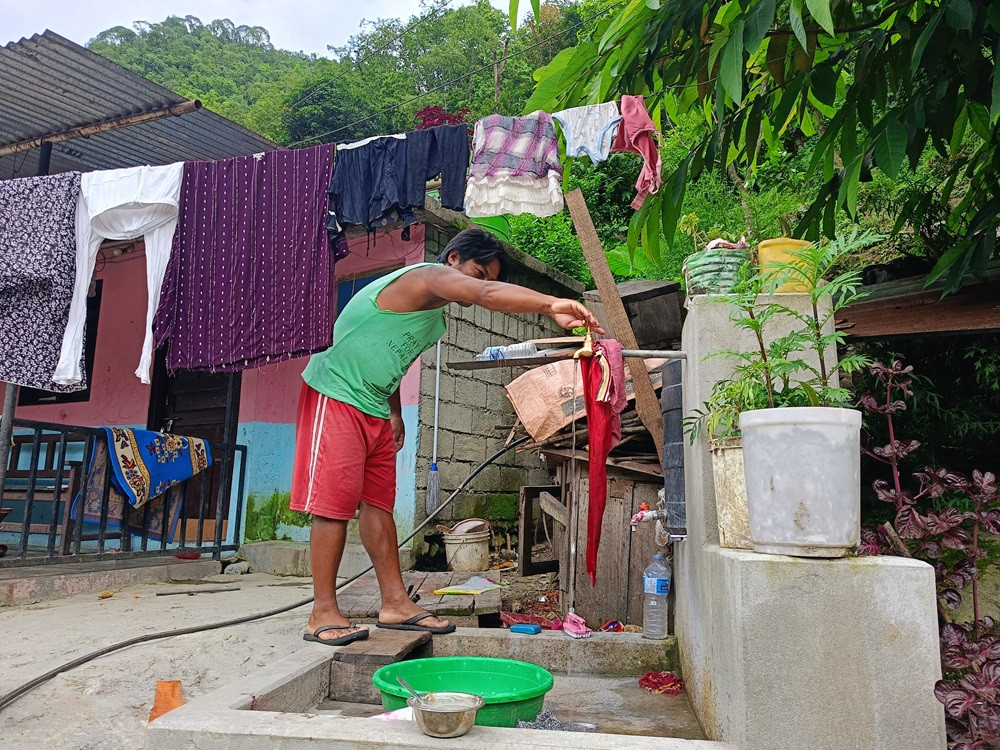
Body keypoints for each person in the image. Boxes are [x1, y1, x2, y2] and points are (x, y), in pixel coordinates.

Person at [292, 227, 602, 645]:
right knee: (332, 506)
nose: (481, 285)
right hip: (336, 393)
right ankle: (322, 612)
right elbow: (487, 298)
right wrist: (551, 303)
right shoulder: (425, 277)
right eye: (478, 273)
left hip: (374, 404)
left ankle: (396, 603)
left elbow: (388, 353)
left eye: (489, 278)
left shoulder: (433, 312)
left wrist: (394, 410)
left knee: (379, 506)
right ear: (453, 258)